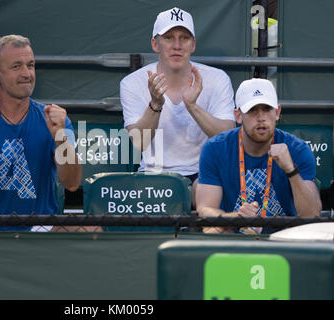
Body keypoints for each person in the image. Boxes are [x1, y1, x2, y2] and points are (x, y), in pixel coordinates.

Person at [0, 35, 81, 223]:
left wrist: (61, 137)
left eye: (30, 65)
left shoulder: (56, 120)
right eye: (16, 67)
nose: (27, 74)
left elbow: (72, 183)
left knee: (93, 230)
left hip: (38, 228)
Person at [120, 7, 236, 206]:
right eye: (169, 37)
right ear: (155, 44)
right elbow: (139, 142)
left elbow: (226, 137)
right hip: (153, 174)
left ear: (193, 45)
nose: (177, 45)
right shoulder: (132, 82)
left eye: (184, 38)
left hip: (203, 174)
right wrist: (155, 104)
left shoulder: (217, 79)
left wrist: (192, 106)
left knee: (208, 194)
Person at [196, 78, 322, 234]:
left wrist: (291, 170)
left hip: (283, 238)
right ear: (238, 115)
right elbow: (205, 209)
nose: (261, 117)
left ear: (277, 112)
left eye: (267, 109)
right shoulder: (215, 148)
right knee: (212, 230)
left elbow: (311, 215)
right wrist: (235, 218)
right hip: (233, 236)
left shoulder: (297, 149)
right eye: (253, 110)